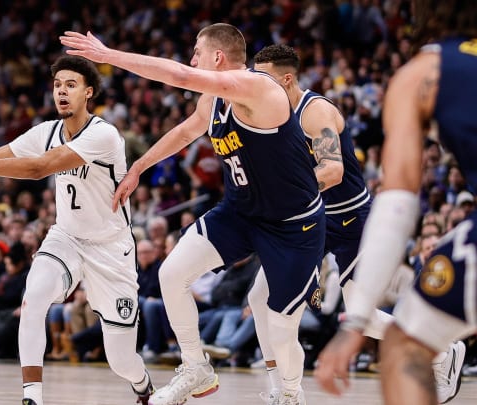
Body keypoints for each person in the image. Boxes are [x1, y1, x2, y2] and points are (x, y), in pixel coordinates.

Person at [61, 24, 325, 405]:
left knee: (282, 328)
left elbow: (180, 75)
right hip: (241, 212)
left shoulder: (259, 88)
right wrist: (139, 166)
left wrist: (109, 56)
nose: (192, 59)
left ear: (217, 58)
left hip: (292, 223)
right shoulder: (213, 101)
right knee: (171, 274)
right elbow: (186, 132)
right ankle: (196, 368)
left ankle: (290, 393)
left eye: (197, 52)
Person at [0, 55, 154, 405]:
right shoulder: (44, 131)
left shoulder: (104, 134)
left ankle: (143, 387)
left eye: (71, 85)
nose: (62, 91)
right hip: (67, 238)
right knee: (33, 299)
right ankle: (32, 398)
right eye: (58, 84)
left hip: (111, 248)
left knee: (121, 360)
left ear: (88, 93)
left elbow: (38, 169)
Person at [314, 2, 477, 404]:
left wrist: (355, 326)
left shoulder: (425, 72)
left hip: (344, 222)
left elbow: (398, 205)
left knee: (404, 344)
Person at [249, 43, 390, 403]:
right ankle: (282, 389)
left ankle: (440, 350)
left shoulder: (314, 112)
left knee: (364, 316)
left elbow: (333, 170)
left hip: (349, 218)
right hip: (312, 218)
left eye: (262, 79)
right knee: (261, 294)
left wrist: (283, 193)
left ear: (287, 79)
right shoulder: (271, 114)